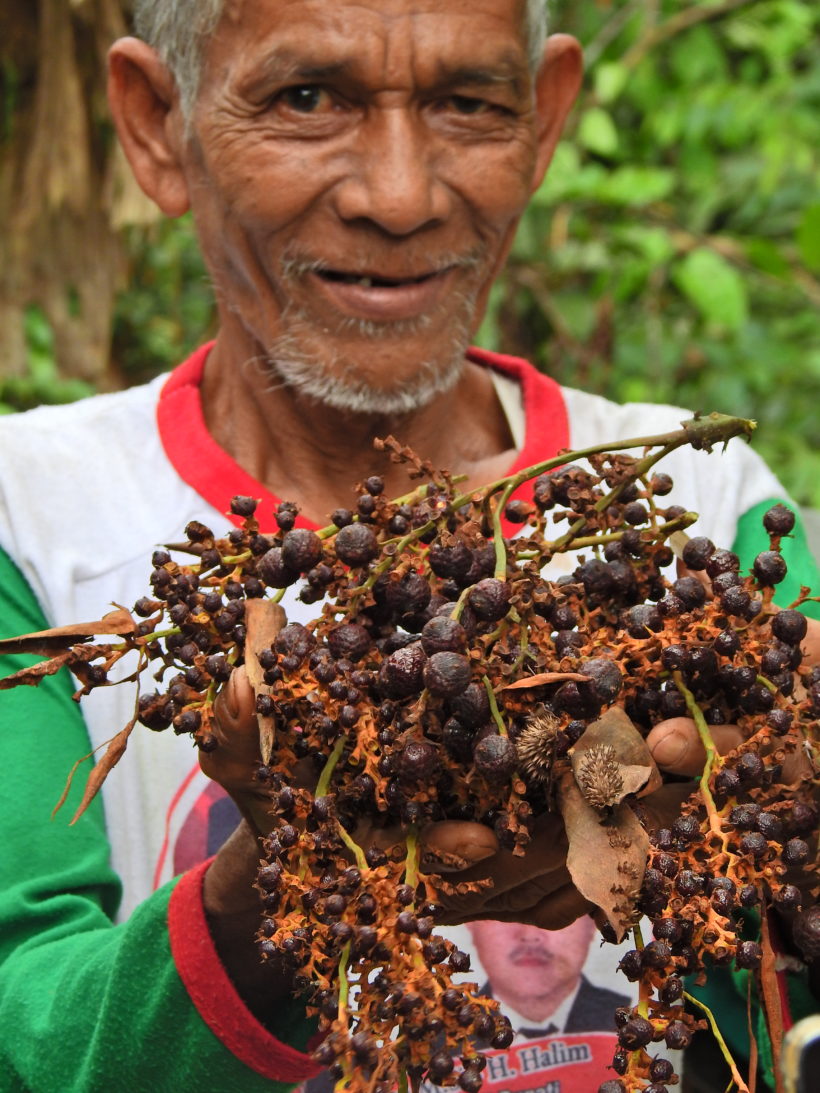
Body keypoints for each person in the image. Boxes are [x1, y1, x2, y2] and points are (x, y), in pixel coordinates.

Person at [0, 2, 817, 1091]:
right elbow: (26, 1027)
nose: (397, 195)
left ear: (543, 120)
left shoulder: (709, 512)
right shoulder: (31, 522)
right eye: (307, 99)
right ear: (158, 125)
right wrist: (262, 893)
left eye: (468, 104)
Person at [467, 919, 630, 1039]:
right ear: (469, 923)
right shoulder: (447, 1033)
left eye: (562, 908)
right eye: (501, 911)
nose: (530, 935)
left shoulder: (636, 1016)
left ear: (594, 922)